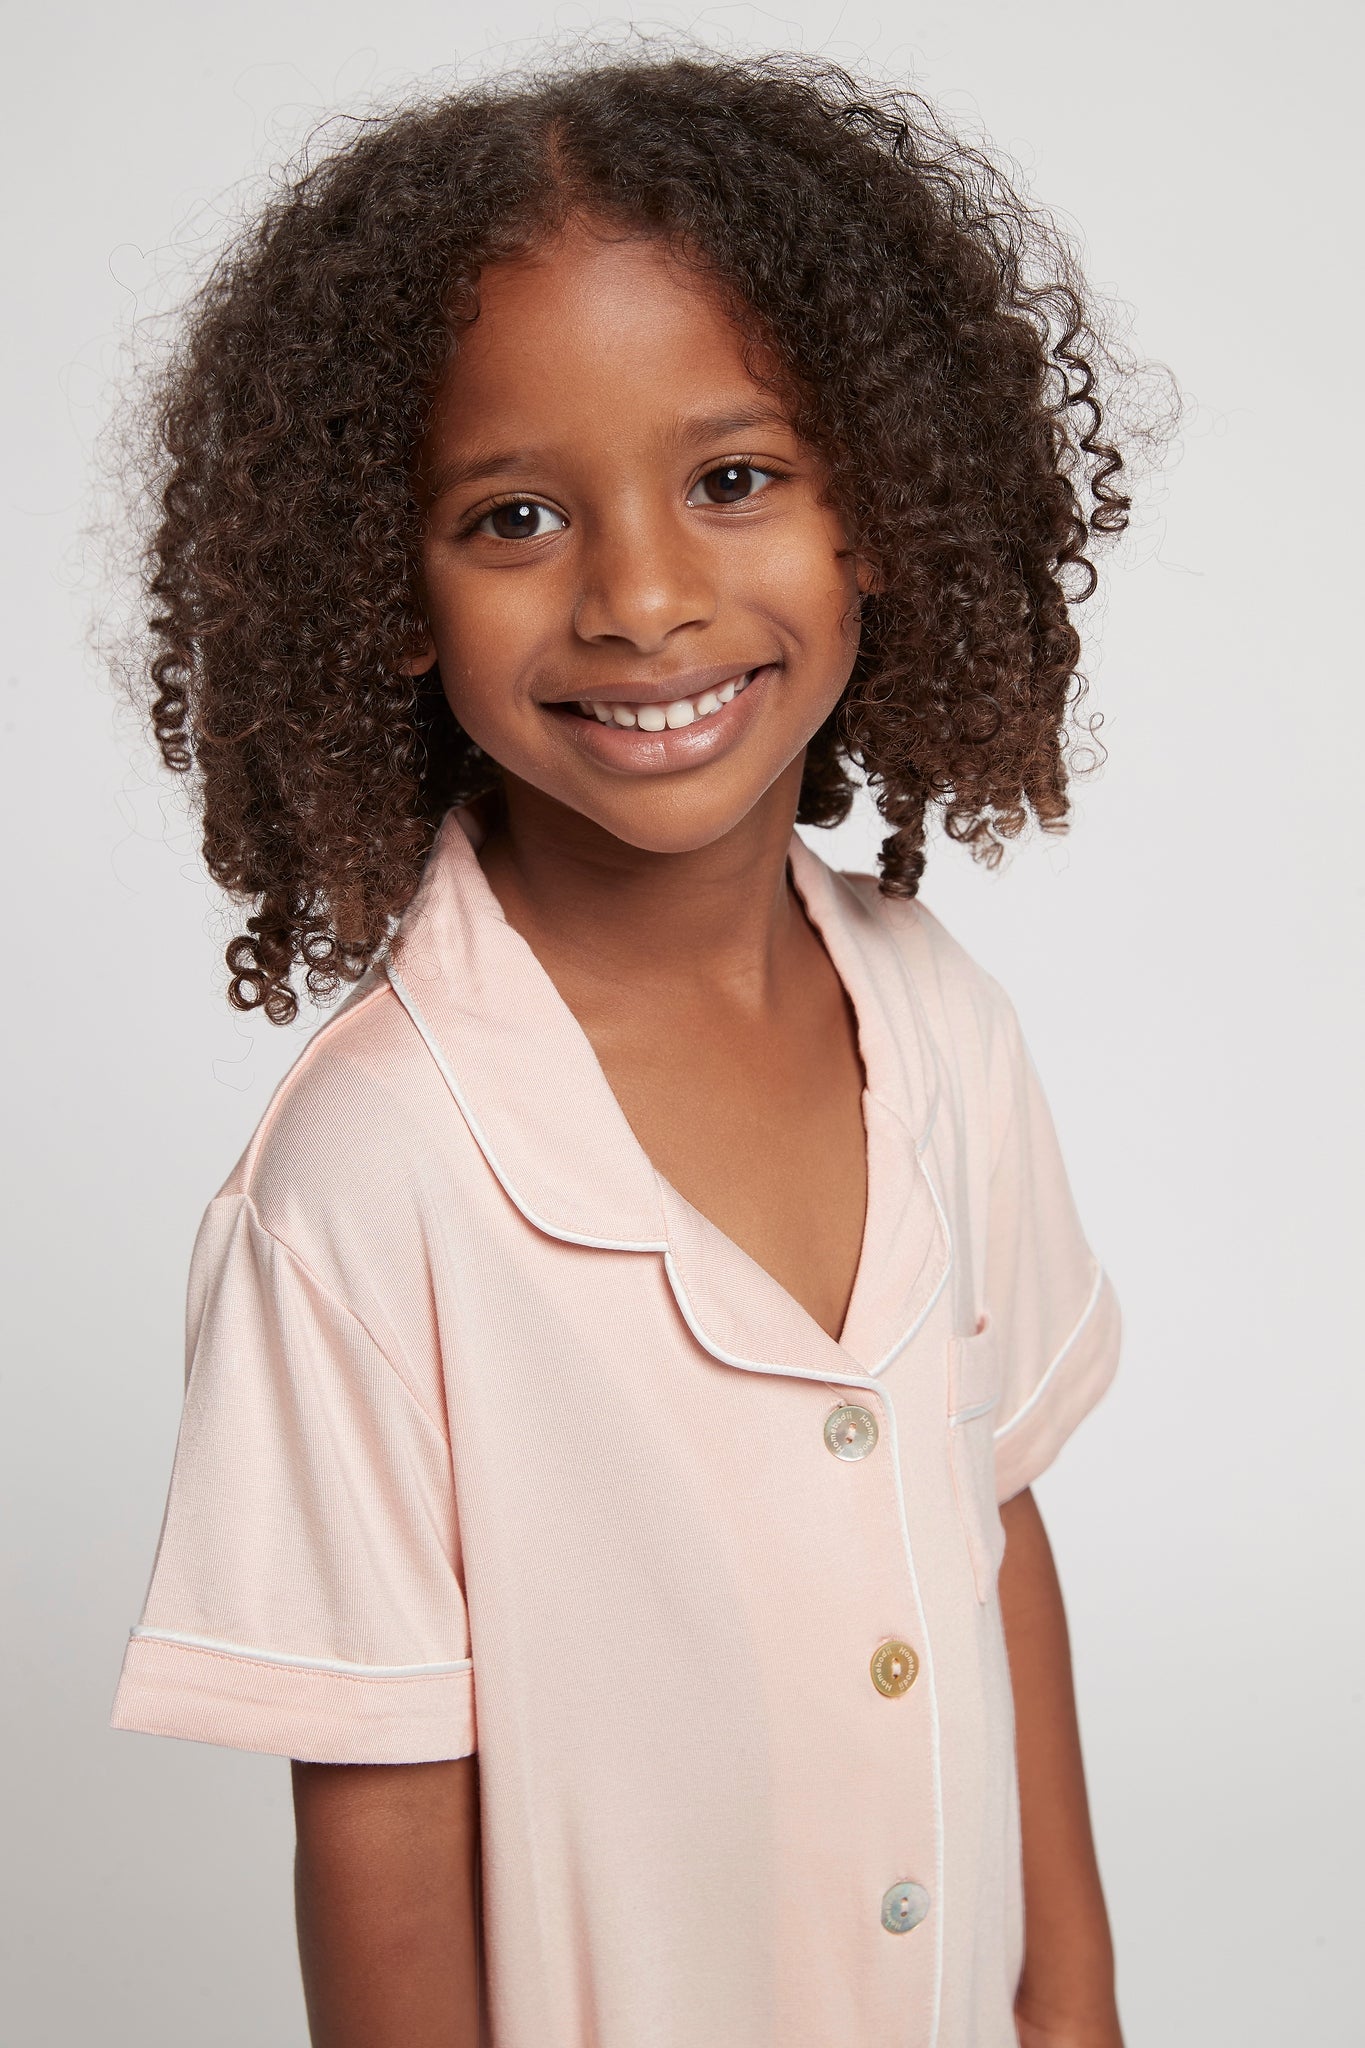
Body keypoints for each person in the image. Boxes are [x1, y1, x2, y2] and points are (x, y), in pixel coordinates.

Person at [110, 48, 1139, 2048]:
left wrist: (1073, 2009)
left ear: (879, 508)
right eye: (512, 516)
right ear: (383, 595)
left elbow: (986, 1529)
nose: (644, 599)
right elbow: (383, 1817)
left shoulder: (935, 1023)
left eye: (732, 480)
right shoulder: (370, 1177)